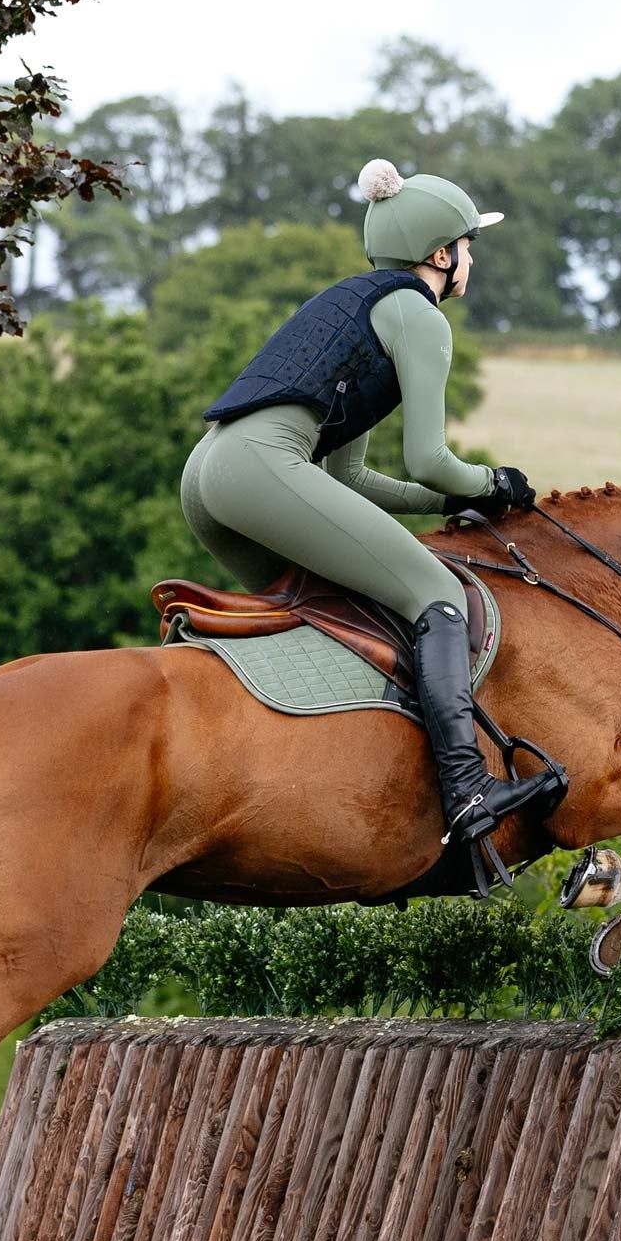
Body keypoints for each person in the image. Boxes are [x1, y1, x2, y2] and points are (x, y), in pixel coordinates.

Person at [181, 158, 564, 854]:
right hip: (262, 468)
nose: (472, 261)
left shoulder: (353, 302)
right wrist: (489, 483)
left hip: (211, 472)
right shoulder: (418, 316)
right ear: (441, 254)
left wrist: (446, 499)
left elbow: (349, 478)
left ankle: (344, 772)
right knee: (436, 594)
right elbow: (428, 459)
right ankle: (469, 791)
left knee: (336, 609)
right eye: (470, 246)